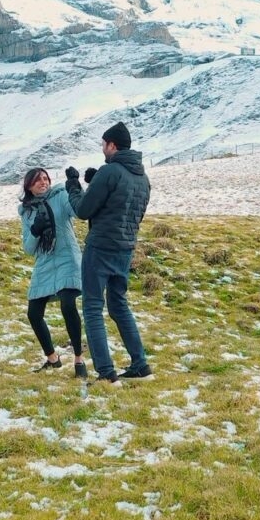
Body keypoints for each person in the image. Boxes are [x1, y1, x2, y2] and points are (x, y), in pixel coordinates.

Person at [65, 122, 151, 384]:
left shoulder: (111, 170)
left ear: (112, 145)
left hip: (100, 246)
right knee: (118, 305)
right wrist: (96, 181)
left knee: (92, 307)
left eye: (104, 144)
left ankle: (106, 373)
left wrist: (74, 184)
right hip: (125, 247)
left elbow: (83, 210)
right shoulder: (142, 177)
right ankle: (140, 365)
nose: (103, 149)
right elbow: (123, 205)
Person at [19, 167, 87, 378]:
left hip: (67, 257)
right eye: (38, 180)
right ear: (29, 185)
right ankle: (52, 358)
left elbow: (78, 212)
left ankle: (79, 359)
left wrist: (76, 187)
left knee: (68, 305)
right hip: (45, 262)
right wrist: (35, 231)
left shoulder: (61, 196)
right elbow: (29, 249)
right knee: (33, 313)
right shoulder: (27, 211)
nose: (43, 182)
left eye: (45, 178)